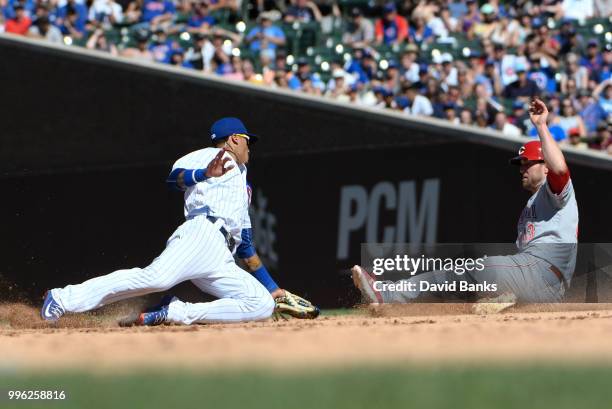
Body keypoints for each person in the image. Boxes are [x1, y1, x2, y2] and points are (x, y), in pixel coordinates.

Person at [42, 118, 277, 325]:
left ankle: (176, 311)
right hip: (203, 233)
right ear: (235, 139)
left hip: (222, 255)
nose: (250, 146)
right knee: (155, 278)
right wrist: (203, 174)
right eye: (248, 140)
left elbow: (245, 245)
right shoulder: (211, 156)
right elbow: (175, 179)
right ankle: (63, 297)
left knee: (262, 304)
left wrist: (273, 288)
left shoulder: (243, 183)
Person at [353, 98, 578, 308]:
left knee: (474, 270)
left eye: (527, 163)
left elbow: (560, 169)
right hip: (544, 286)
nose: (522, 168)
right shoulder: (535, 202)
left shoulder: (554, 190)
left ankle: (389, 295)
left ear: (545, 165)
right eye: (520, 164)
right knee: (473, 284)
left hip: (541, 271)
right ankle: (509, 301)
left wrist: (541, 126)